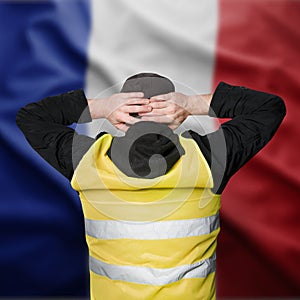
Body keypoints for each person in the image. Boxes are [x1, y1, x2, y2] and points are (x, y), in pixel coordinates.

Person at [16, 73, 286, 299]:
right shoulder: (209, 160)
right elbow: (269, 107)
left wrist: (102, 107)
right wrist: (192, 104)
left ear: (123, 117)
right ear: (173, 115)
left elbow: (31, 117)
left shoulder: (87, 161)